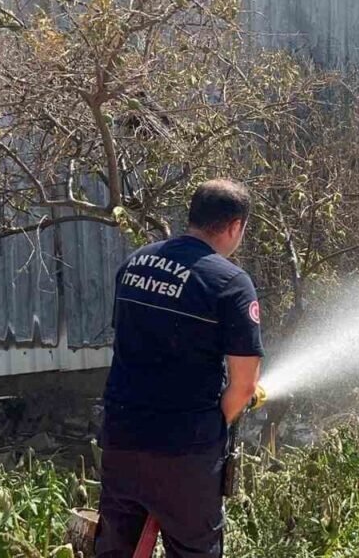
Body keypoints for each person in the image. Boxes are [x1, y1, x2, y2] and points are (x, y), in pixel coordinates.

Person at [95, 179, 264, 558]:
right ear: (235, 226)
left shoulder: (135, 263)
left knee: (116, 549)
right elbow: (244, 386)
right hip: (184, 453)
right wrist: (212, 424)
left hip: (121, 437)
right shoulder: (231, 283)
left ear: (193, 215)